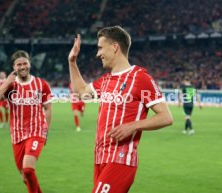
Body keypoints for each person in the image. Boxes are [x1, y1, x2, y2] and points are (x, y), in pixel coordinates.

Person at [68, 26, 173, 193]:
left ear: (115, 47)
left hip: (121, 158)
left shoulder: (140, 77)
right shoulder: (105, 80)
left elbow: (166, 117)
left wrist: (133, 126)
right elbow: (81, 92)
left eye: (100, 47)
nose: (97, 54)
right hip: (100, 157)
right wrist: (72, 62)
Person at [0, 50, 53, 193]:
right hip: (17, 135)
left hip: (36, 132)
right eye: (19, 64)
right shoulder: (10, 86)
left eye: (25, 63)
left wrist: (45, 131)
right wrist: (5, 84)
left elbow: (48, 109)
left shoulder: (41, 84)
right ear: (14, 67)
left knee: (28, 170)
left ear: (30, 64)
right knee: (25, 177)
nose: (22, 67)